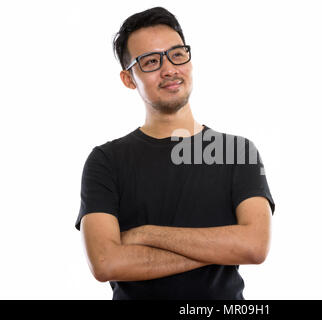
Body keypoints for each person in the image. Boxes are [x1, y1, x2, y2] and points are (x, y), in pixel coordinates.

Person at [75, 6, 276, 300]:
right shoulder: (106, 161)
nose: (169, 68)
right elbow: (106, 263)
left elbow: (255, 246)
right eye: (151, 61)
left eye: (177, 54)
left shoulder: (236, 151)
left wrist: (146, 234)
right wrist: (221, 247)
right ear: (129, 79)